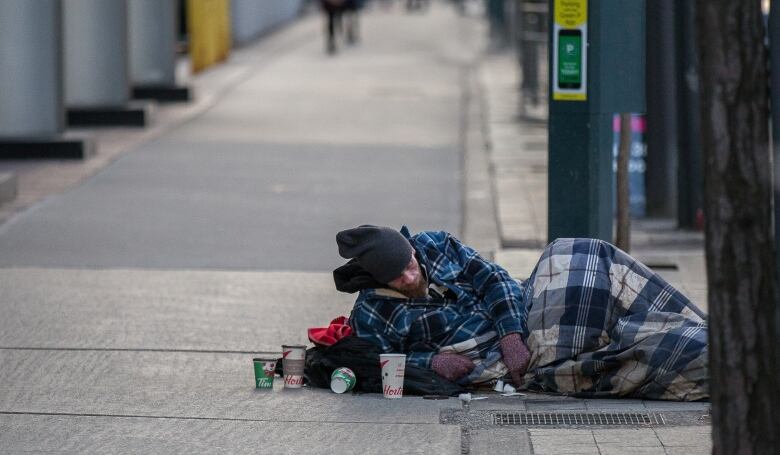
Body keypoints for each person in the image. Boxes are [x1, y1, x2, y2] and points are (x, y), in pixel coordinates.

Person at [333, 225, 709, 401]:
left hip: (524, 312)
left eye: (411, 263)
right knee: (662, 347)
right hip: (515, 360)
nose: (411, 274)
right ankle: (709, 347)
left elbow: (493, 278)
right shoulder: (372, 312)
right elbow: (378, 364)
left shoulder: (433, 244)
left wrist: (512, 333)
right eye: (400, 277)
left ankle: (706, 325)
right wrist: (431, 362)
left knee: (587, 253)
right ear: (380, 279)